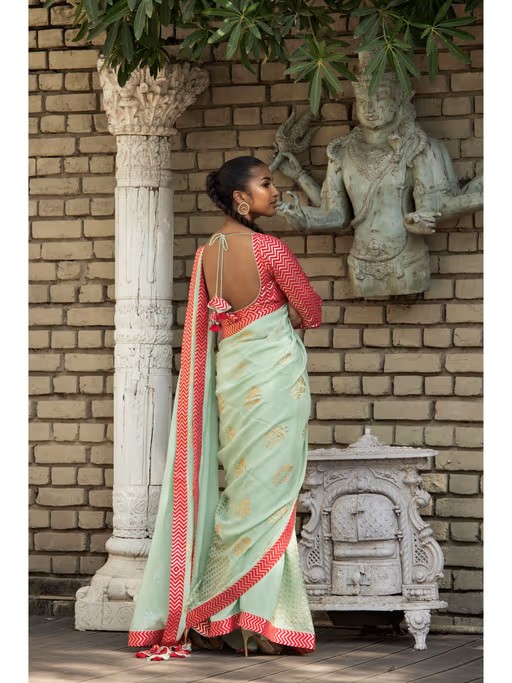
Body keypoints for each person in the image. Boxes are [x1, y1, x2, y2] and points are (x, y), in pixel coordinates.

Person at [128, 156, 323, 661]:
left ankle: (215, 618)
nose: (275, 191)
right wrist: (287, 318)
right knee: (271, 499)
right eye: (266, 183)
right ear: (241, 197)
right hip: (274, 383)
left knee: (243, 493)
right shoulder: (270, 249)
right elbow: (312, 311)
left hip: (232, 383)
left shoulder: (206, 255)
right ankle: (260, 622)